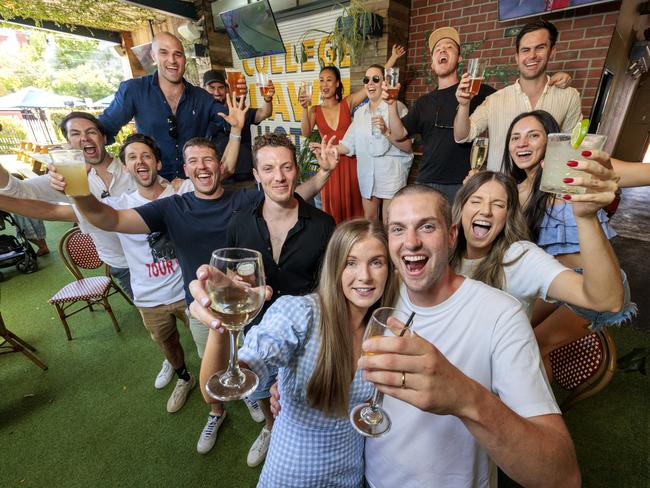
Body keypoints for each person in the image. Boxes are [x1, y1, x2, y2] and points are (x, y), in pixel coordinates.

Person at [59, 127, 338, 455]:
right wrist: (77, 189)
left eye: (287, 167)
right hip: (247, 323)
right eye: (268, 168)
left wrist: (325, 172)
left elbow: (326, 282)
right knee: (254, 386)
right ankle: (266, 426)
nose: (279, 176)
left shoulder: (315, 222)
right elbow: (106, 217)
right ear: (255, 174)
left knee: (303, 391)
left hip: (303, 330)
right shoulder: (230, 219)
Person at [357, 184, 580, 487]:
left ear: (451, 236)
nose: (410, 242)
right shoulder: (378, 293)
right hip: (373, 479)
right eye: (398, 229)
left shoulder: (501, 315)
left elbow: (562, 477)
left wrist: (465, 396)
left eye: (426, 226)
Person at [189, 219, 398, 487]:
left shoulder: (386, 327)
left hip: (350, 473)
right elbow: (213, 391)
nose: (365, 276)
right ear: (334, 267)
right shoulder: (300, 314)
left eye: (376, 262)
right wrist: (221, 324)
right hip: (294, 474)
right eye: (351, 262)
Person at [6, 134, 199, 411]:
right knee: (167, 343)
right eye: (132, 157)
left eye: (145, 155)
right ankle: (183, 376)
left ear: (157, 162)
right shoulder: (117, 206)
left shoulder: (180, 193)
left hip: (187, 291)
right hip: (148, 298)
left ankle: (221, 385)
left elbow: (217, 174)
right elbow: (48, 209)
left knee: (207, 344)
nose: (140, 161)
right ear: (126, 166)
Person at [450, 170, 623, 373]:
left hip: (496, 380)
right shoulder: (445, 254)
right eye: (476, 201)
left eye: (498, 205)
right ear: (461, 207)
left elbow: (607, 300)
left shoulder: (519, 257)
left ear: (509, 216)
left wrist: (586, 218)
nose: (486, 211)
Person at [500, 110, 637, 356]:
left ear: (552, 141)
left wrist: (599, 173)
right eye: (515, 137)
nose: (522, 143)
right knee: (511, 335)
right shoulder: (512, 191)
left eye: (533, 136)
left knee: (533, 348)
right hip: (553, 281)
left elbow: (641, 173)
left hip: (597, 285)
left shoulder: (575, 171)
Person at [0, 111, 136, 298]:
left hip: (155, 258)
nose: (84, 138)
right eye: (75, 134)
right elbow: (16, 191)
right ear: (69, 143)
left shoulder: (133, 168)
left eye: (91, 132)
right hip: (122, 265)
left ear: (103, 138)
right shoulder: (65, 178)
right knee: (156, 321)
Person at [98, 32, 243, 182]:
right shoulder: (134, 90)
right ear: (153, 56)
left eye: (178, 54)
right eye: (164, 52)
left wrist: (238, 100)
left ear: (184, 59)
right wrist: (110, 172)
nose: (172, 60)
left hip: (193, 186)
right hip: (154, 187)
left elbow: (233, 122)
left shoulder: (201, 97)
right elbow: (102, 130)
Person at [384, 27, 495, 202]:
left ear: (459, 58)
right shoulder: (423, 102)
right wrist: (391, 105)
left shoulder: (477, 91)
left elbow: (510, 101)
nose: (442, 50)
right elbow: (398, 135)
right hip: (425, 182)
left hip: (462, 184)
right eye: (437, 49)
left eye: (449, 47)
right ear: (433, 64)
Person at [454, 19, 579, 171]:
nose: (532, 55)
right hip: (500, 189)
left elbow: (571, 147)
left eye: (540, 48)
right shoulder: (495, 99)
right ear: (517, 57)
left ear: (552, 51)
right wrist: (463, 104)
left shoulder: (569, 96)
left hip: (541, 192)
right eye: (525, 50)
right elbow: (462, 136)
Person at [300, 46, 405, 223]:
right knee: (334, 211)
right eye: (321, 80)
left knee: (359, 212)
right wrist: (304, 109)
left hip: (352, 162)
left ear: (337, 83)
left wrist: (393, 58)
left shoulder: (347, 103)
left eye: (329, 80)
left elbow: (373, 84)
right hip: (331, 163)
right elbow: (306, 132)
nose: (324, 84)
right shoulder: (314, 110)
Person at [203, 69, 275, 188]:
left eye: (220, 87)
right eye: (211, 87)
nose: (216, 92)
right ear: (203, 89)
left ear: (227, 89)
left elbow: (264, 113)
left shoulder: (241, 111)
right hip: (219, 180)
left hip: (246, 179)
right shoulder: (201, 115)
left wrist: (267, 99)